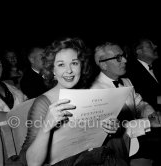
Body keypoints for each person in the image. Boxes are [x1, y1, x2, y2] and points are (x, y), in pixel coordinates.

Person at [16, 37, 128, 166]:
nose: (69, 70)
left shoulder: (89, 95)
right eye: (61, 64)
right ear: (52, 69)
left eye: (74, 63)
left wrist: (109, 128)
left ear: (81, 66)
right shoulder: (43, 103)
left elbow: (93, 140)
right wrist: (46, 127)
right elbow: (32, 163)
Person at [91, 42, 161, 165]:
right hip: (120, 151)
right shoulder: (95, 90)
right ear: (103, 64)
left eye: (123, 56)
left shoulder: (126, 81)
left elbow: (139, 104)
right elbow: (115, 129)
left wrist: (151, 113)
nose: (124, 60)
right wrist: (149, 122)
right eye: (118, 58)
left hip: (139, 140)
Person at [126, 38, 161, 110]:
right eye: (150, 45)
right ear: (139, 51)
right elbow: (140, 99)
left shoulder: (156, 67)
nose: (155, 46)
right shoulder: (130, 71)